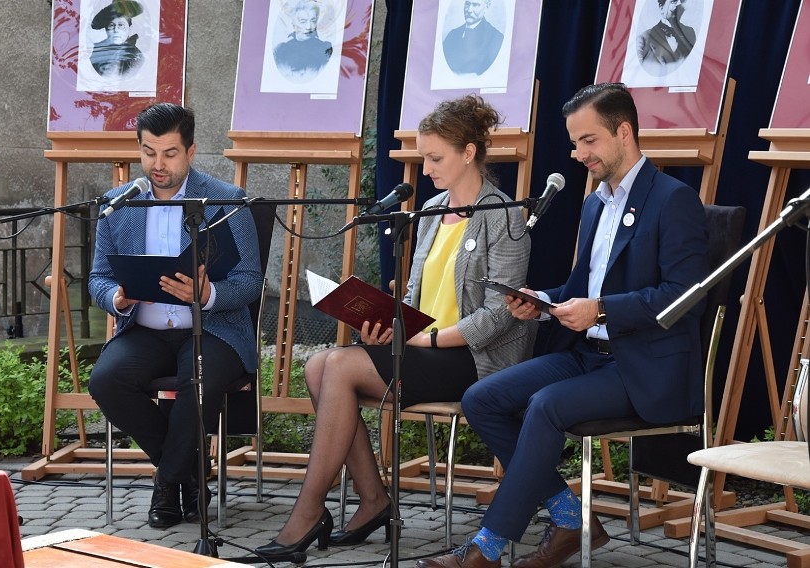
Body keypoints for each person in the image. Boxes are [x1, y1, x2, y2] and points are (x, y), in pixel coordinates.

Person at [418, 82, 709, 568]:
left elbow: (684, 297)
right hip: (585, 355)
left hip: (640, 366)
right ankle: (571, 517)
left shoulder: (672, 199)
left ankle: (486, 549)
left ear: (624, 132)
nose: (578, 154)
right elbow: (579, 282)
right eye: (574, 142)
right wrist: (542, 298)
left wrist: (601, 310)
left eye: (588, 141)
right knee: (482, 398)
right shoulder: (595, 202)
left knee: (546, 405)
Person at [254, 94, 537, 561]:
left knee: (338, 367)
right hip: (424, 345)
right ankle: (373, 499)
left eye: (435, 157)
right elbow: (413, 298)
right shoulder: (432, 210)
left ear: (468, 153)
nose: (425, 169)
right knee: (319, 366)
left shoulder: (503, 216)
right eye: (424, 157)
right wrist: (385, 322)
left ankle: (308, 515)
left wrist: (425, 338)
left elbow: (497, 315)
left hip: (474, 359)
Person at [88, 103, 263, 529]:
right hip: (144, 329)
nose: (157, 164)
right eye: (148, 152)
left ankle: (167, 484)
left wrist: (208, 294)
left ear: (190, 151)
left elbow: (250, 281)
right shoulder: (116, 204)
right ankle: (190, 473)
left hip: (212, 328)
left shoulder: (227, 201)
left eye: (169, 153)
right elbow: (97, 278)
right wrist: (118, 296)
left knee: (196, 378)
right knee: (106, 381)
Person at [273, 0, 333, 79]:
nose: (308, 27)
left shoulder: (325, 49)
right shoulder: (281, 51)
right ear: (294, 24)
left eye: (313, 21)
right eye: (303, 21)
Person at [442, 0, 504, 75]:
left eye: (476, 5)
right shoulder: (452, 35)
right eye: (467, 4)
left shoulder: (496, 38)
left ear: (487, 6)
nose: (469, 10)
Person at [636, 0, 696, 76]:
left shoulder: (689, 33)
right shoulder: (643, 39)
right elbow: (640, 75)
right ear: (661, 8)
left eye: (682, 1)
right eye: (674, 1)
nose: (679, 4)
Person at [89, 0, 145, 78]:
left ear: (129, 28)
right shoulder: (97, 51)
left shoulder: (136, 57)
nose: (116, 30)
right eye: (111, 25)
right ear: (106, 29)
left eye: (121, 25)